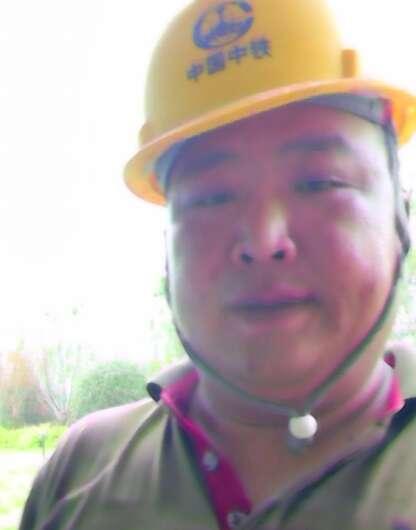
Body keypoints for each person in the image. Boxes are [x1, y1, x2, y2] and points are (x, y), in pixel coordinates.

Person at [19, 1, 416, 529]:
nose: (264, 241)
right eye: (211, 198)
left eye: (320, 182)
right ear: (168, 250)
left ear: (400, 219)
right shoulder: (81, 473)